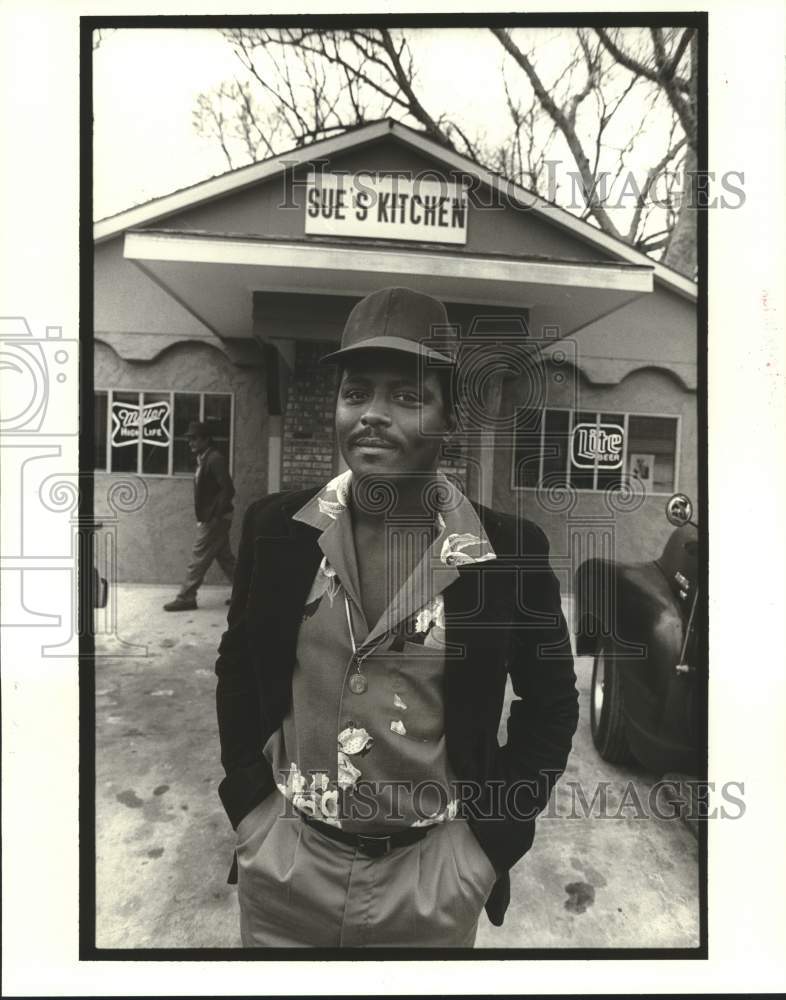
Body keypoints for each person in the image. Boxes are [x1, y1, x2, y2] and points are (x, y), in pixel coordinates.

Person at [215, 286, 579, 947]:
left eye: (407, 397)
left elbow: (549, 701)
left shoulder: (508, 552)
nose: (371, 415)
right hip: (285, 868)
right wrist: (249, 806)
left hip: (431, 880)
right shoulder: (277, 530)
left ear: (449, 420)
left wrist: (488, 844)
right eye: (356, 393)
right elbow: (238, 666)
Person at [164, 420, 237, 612]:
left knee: (198, 558)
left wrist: (214, 515)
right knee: (226, 559)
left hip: (216, 520)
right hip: (215, 518)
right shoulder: (205, 458)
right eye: (189, 439)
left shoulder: (214, 459)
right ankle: (247, 594)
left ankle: (186, 597)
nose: (190, 443)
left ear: (206, 440)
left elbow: (228, 489)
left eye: (195, 439)